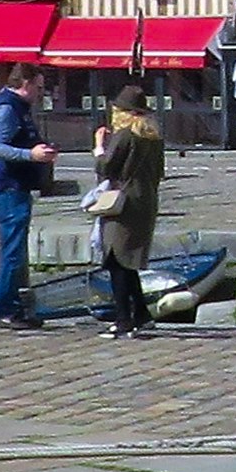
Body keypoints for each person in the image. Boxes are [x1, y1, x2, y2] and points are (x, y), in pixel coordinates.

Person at [91, 81, 168, 333]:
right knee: (128, 260)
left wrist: (99, 147)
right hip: (146, 200)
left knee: (116, 260)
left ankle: (123, 319)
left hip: (123, 203)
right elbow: (159, 172)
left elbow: (106, 167)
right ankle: (142, 315)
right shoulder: (154, 137)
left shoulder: (125, 135)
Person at [0, 71, 48, 327]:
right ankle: (5, 309)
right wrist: (31, 154)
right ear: (26, 84)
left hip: (17, 188)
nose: (41, 94)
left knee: (15, 250)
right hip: (7, 189)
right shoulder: (8, 108)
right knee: (11, 251)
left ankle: (12, 305)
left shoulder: (20, 107)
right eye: (38, 88)